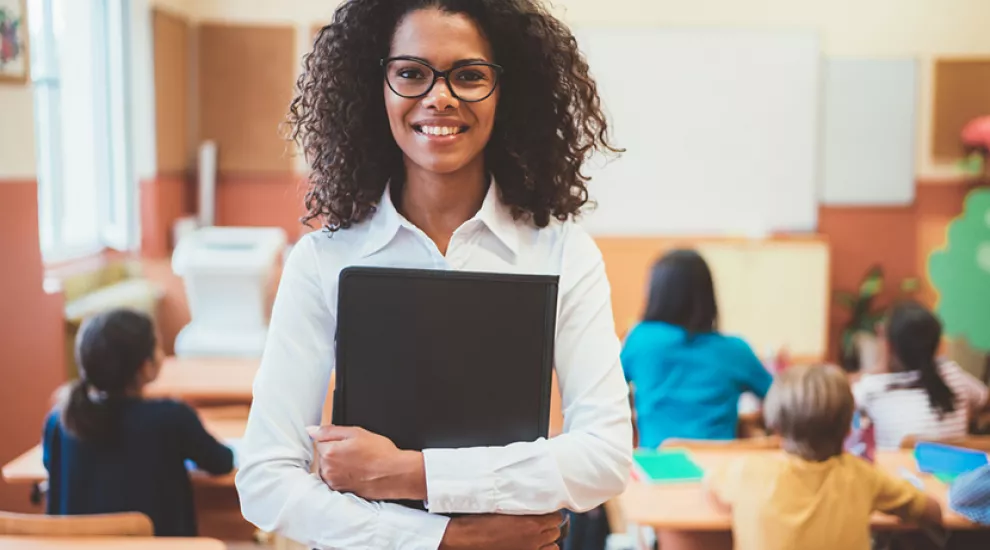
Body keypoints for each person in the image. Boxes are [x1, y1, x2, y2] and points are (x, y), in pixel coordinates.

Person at [234, 1, 633, 548]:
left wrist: (411, 474)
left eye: (469, 75)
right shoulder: (323, 260)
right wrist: (447, 539)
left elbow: (605, 455)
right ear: (378, 87)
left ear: (505, 92)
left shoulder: (562, 253)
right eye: (411, 73)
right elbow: (265, 480)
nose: (439, 96)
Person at [706, 364, 942, 550]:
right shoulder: (863, 476)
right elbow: (931, 511)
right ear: (849, 429)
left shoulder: (745, 472)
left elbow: (713, 489)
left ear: (775, 427)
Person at [43, 309, 234, 536]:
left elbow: (50, 466)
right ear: (146, 367)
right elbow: (222, 462)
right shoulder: (172, 418)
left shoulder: (60, 420)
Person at [621, 249, 773, 448]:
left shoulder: (640, 340)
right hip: (720, 470)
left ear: (656, 293)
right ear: (707, 295)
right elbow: (784, 401)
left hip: (657, 470)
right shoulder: (736, 351)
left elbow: (606, 395)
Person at [854, 301, 989, 450]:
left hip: (894, 472)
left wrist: (879, 366)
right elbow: (984, 401)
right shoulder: (953, 374)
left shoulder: (873, 388)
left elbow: (836, 406)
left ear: (890, 346)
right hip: (957, 472)